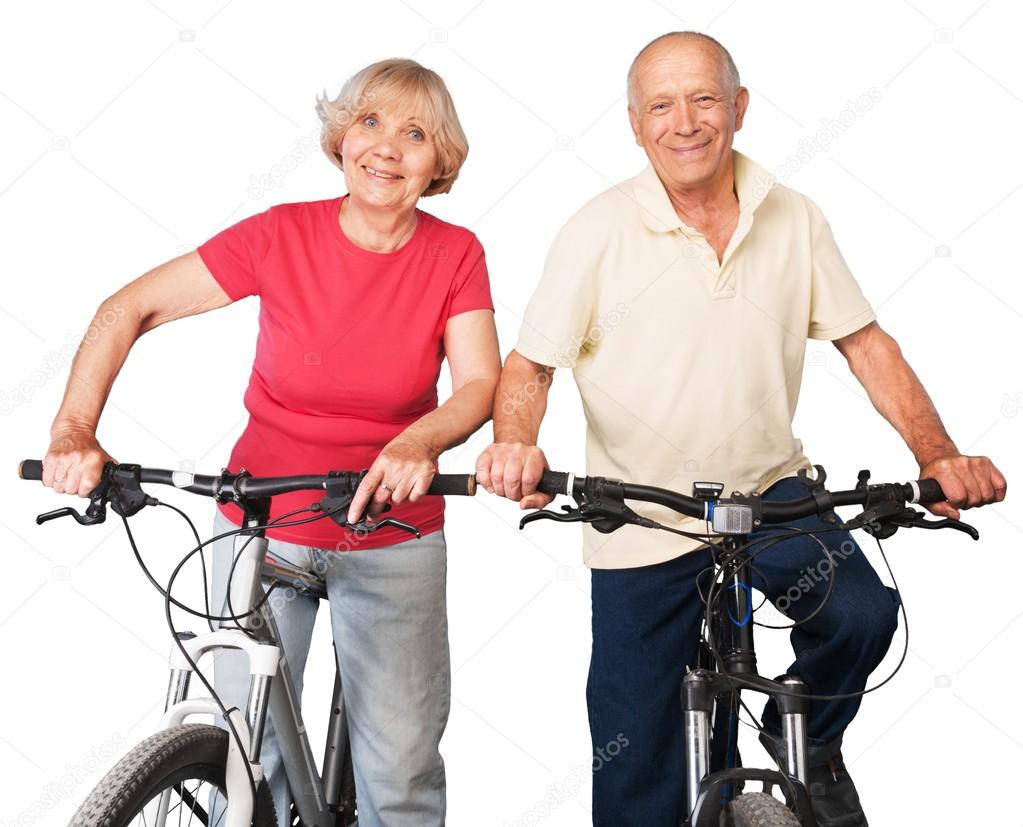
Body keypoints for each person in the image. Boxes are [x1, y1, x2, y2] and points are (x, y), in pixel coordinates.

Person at [475, 31, 1006, 827]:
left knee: (859, 614)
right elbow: (529, 366)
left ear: (738, 108)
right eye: (660, 104)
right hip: (640, 512)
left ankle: (808, 739)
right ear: (633, 122)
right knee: (634, 753)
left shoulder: (791, 217)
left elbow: (865, 344)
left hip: (768, 493)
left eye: (702, 99)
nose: (683, 122)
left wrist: (938, 454)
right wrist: (516, 440)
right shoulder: (596, 230)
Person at [41, 58, 500, 827]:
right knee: (244, 760)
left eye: (414, 132)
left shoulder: (455, 255)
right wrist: (73, 430)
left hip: (390, 532)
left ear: (440, 159)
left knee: (400, 774)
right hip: (258, 521)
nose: (386, 146)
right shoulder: (281, 234)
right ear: (340, 137)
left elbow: (480, 384)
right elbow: (128, 309)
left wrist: (420, 440)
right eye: (369, 121)